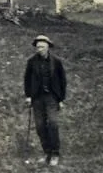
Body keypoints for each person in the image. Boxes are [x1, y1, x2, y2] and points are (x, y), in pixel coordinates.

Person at [24, 34, 67, 167]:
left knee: (53, 123)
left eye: (42, 47)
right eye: (38, 47)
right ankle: (46, 152)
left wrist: (61, 99)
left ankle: (55, 153)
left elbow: (62, 81)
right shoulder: (31, 61)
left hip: (51, 97)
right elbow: (27, 79)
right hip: (37, 98)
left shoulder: (56, 61)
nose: (40, 50)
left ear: (48, 47)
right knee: (40, 126)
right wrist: (28, 96)